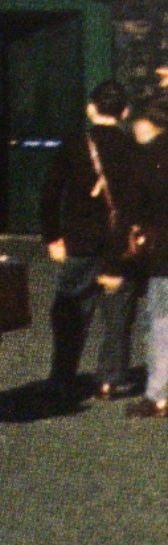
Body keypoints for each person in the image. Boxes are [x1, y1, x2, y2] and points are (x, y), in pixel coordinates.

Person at [40, 80, 143, 401]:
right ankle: (111, 378)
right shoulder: (134, 149)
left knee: (70, 314)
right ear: (125, 112)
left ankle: (63, 376)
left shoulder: (73, 145)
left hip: (79, 241)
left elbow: (50, 194)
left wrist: (53, 237)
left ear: (90, 108)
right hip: (119, 244)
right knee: (118, 316)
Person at [125, 96, 168, 418]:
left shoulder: (149, 158)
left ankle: (158, 395)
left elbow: (138, 206)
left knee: (161, 325)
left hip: (163, 255)